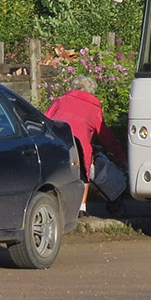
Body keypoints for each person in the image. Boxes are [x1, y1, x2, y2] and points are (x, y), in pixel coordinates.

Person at [45, 75, 126, 216]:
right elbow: (105, 135)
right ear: (91, 91)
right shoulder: (93, 107)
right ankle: (81, 208)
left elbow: (45, 118)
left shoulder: (61, 100)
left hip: (55, 142)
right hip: (79, 146)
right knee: (83, 173)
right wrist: (121, 158)